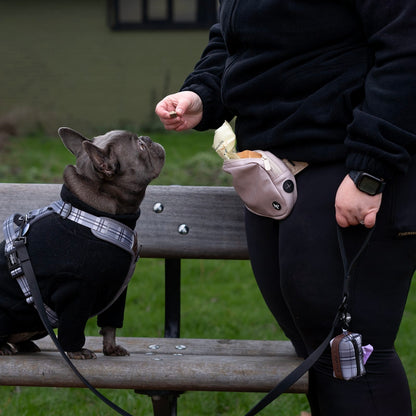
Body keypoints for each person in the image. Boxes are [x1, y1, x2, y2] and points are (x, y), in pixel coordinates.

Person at [155, 1, 416, 415]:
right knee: (315, 354)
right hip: (270, 175)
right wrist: (202, 94)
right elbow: (233, 39)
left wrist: (370, 169)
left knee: (351, 362)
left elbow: (406, 49)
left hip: (348, 174)